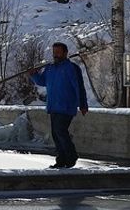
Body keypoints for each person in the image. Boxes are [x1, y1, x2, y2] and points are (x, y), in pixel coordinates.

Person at [29, 41, 89, 169]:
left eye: (58, 52)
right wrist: (34, 75)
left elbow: (79, 87)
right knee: (56, 134)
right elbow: (42, 81)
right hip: (53, 106)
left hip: (66, 105)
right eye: (54, 52)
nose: (55, 55)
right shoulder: (50, 68)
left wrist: (83, 104)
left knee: (60, 131)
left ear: (65, 53)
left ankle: (71, 156)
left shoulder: (72, 68)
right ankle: (61, 160)